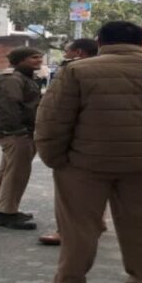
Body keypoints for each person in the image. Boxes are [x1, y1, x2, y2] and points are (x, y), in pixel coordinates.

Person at [15, 21, 142, 283]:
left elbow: (53, 120)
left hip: (86, 163)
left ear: (99, 41)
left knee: (79, 230)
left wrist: (54, 159)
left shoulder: (77, 71)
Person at [38, 38, 99, 246]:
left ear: (79, 52)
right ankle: (98, 222)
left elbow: (54, 113)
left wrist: (51, 152)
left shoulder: (73, 70)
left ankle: (65, 232)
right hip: (128, 147)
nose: (65, 54)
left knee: (72, 192)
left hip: (81, 143)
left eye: (67, 51)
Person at [0, 47, 44, 230]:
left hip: (15, 131)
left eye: (40, 57)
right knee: (17, 173)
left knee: (6, 170)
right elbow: (8, 106)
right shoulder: (11, 79)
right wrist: (18, 131)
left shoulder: (22, 77)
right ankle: (7, 214)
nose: (39, 60)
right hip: (15, 133)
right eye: (34, 57)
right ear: (20, 60)